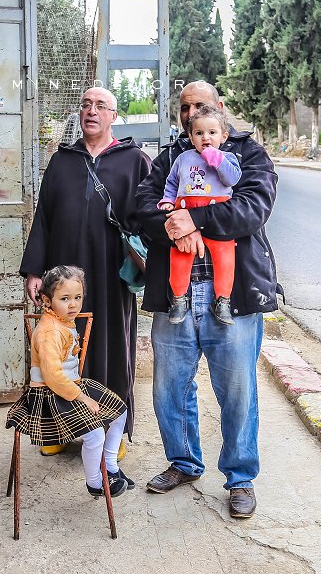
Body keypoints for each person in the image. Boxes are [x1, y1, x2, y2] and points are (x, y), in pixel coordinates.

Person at [135, 81, 279, 519]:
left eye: (200, 105)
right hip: (175, 293)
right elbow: (142, 208)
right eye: (185, 108)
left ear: (219, 109)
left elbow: (252, 209)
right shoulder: (171, 158)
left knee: (237, 392)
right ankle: (184, 463)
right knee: (170, 389)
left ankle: (240, 478)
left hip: (231, 296)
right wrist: (175, 228)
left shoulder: (248, 154)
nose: (191, 113)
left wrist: (193, 219)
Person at [20, 86, 150, 454]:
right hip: (62, 279)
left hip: (111, 276)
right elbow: (43, 217)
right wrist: (35, 272)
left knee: (112, 349)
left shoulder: (135, 161)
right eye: (86, 105)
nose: (91, 111)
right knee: (56, 352)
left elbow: (150, 216)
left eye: (101, 106)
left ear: (113, 116)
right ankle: (57, 430)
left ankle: (111, 432)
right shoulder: (62, 161)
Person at [6, 265, 132, 496]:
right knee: (95, 433)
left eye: (78, 297)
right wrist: (83, 398)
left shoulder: (64, 321)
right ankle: (95, 482)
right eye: (65, 299)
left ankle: (110, 465)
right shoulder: (49, 332)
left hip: (70, 386)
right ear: (47, 300)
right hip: (49, 395)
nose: (73, 304)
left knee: (120, 410)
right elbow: (53, 376)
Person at [158, 105, 241, 326]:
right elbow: (172, 182)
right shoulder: (183, 159)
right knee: (180, 258)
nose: (206, 138)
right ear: (191, 137)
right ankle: (179, 299)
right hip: (184, 209)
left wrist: (218, 161)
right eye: (199, 133)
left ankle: (223, 301)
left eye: (212, 132)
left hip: (217, 216)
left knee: (225, 259)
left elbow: (232, 179)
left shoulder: (228, 157)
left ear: (223, 136)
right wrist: (167, 200)